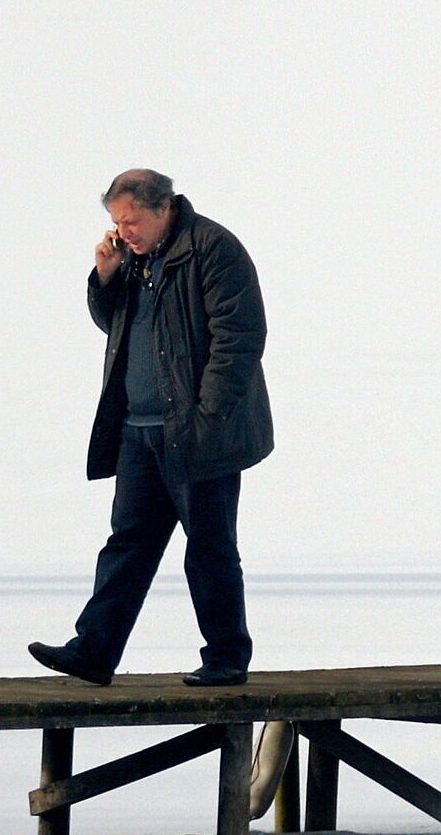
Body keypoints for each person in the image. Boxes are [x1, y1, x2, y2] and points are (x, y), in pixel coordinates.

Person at [28, 170, 272, 687]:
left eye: (132, 221)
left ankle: (227, 658)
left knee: (209, 548)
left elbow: (241, 336)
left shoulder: (214, 248)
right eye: (118, 223)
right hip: (138, 429)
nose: (125, 231)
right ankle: (93, 652)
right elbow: (114, 324)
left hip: (196, 431)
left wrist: (207, 416)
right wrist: (107, 276)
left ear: (163, 208)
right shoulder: (132, 259)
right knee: (127, 544)